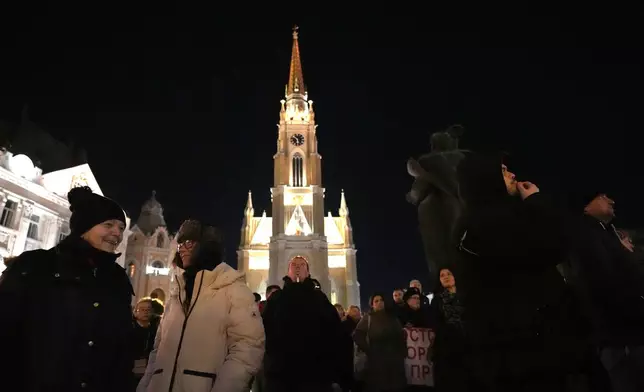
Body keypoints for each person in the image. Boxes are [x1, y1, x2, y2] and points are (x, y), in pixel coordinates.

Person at [0, 185, 134, 391]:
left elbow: (122, 350)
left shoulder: (118, 279)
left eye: (121, 228)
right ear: (84, 227)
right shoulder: (35, 265)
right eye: (109, 225)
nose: (117, 233)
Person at [137, 219, 265, 392]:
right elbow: (158, 350)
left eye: (189, 243)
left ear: (206, 247)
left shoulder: (233, 289)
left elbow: (247, 349)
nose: (181, 248)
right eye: (180, 243)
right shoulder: (178, 293)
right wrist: (146, 386)